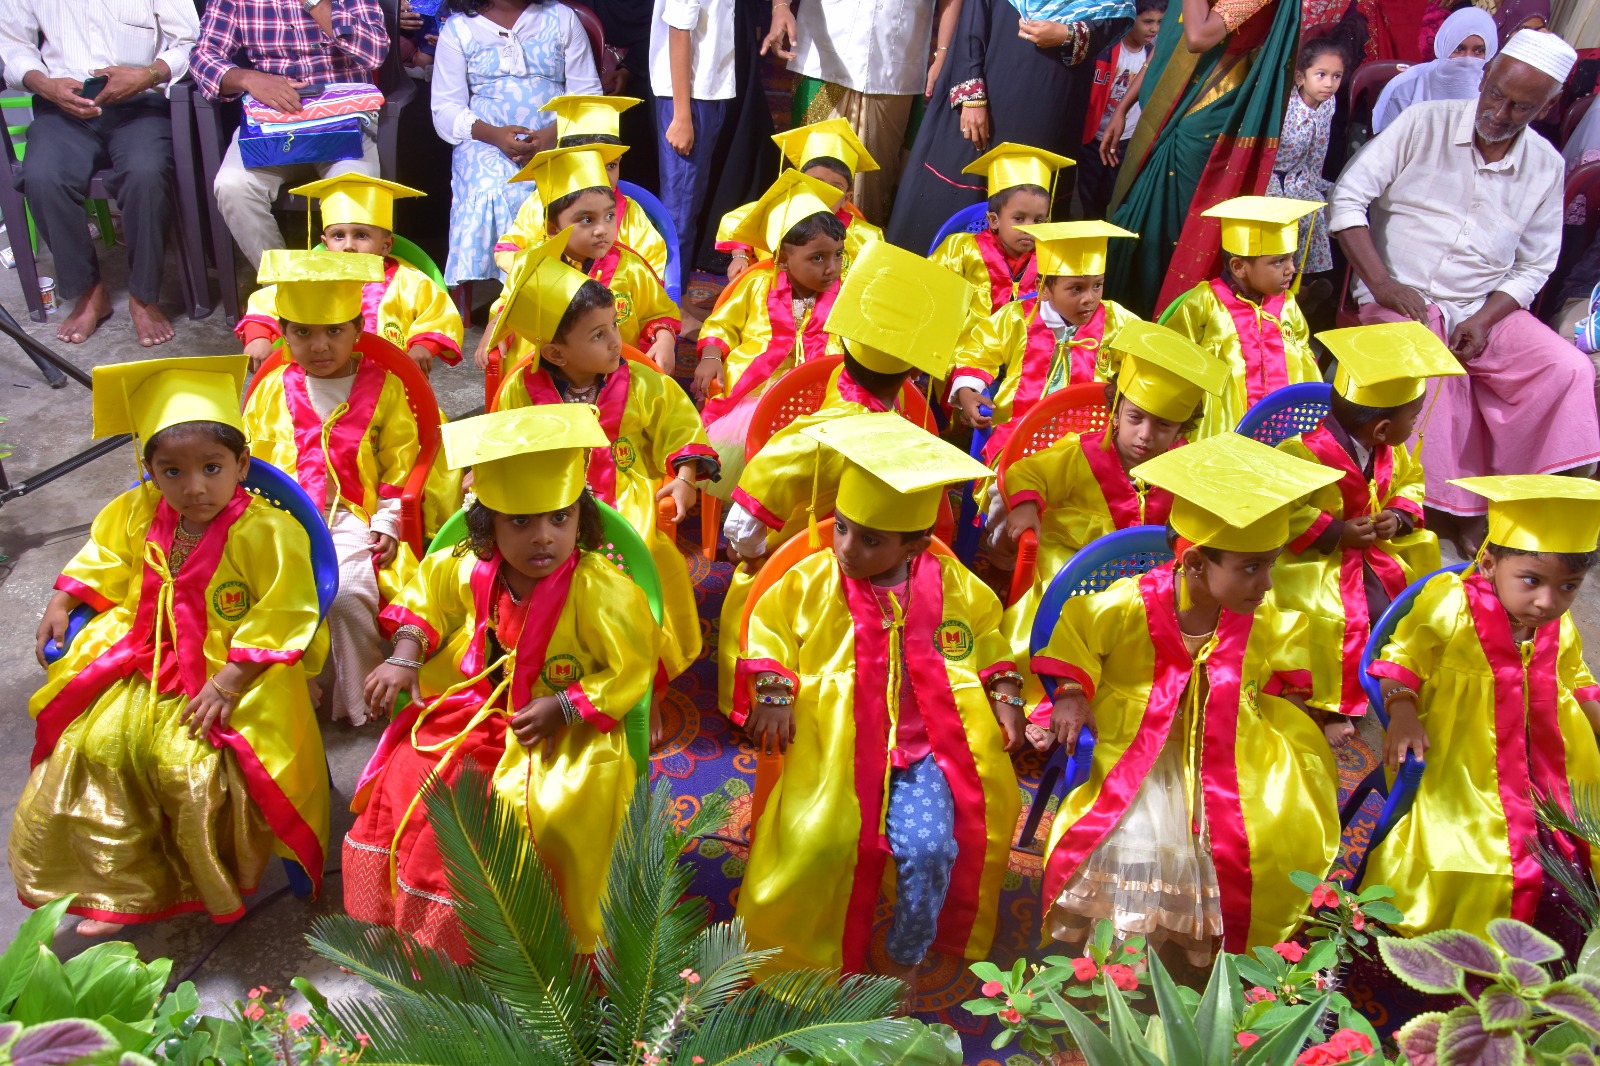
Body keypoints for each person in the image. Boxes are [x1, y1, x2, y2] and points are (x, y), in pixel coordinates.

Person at [16, 357, 329, 936]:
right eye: (172, 472)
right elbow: (104, 557)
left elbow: (288, 609)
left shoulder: (266, 531)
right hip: (144, 660)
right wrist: (64, 596)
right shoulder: (138, 512)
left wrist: (229, 680)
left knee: (185, 769)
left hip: (234, 671)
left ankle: (204, 883)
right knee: (94, 749)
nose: (194, 487)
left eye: (212, 467)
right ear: (151, 473)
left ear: (241, 464)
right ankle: (119, 888)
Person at [346, 405, 660, 960]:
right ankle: (420, 922)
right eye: (520, 522)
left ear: (580, 517)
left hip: (566, 726)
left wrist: (565, 706)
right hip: (475, 709)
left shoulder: (601, 590)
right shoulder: (469, 565)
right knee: (415, 776)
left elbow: (632, 666)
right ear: (487, 524)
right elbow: (426, 600)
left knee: (554, 809)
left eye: (559, 518)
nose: (543, 538)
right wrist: (404, 656)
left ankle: (533, 941)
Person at [735, 412, 1022, 992]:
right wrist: (774, 690)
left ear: (915, 544)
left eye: (871, 539)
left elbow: (990, 636)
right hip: (835, 745)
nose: (846, 547)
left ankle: (905, 953)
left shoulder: (951, 585)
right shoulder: (811, 581)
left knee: (932, 849)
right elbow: (766, 631)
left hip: (923, 749)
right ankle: (797, 953)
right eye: (842, 528)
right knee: (818, 844)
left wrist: (1005, 690)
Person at [1033, 433, 1343, 964]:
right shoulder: (1131, 604)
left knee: (1265, 832)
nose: (1268, 583)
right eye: (1252, 568)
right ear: (1196, 563)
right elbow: (1075, 631)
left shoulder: (1259, 614)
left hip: (1228, 744)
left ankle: (1196, 939)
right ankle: (1123, 956)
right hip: (1139, 745)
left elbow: (1284, 668)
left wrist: (1298, 705)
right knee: (1139, 841)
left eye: (1270, 564)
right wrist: (1071, 692)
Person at [1328, 31, 1600, 558]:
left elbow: (1535, 265)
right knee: (1434, 372)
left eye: (1520, 106)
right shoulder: (1424, 123)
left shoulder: (1545, 165)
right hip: (1400, 293)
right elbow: (1348, 200)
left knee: (1568, 370)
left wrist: (1484, 319)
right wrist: (1382, 282)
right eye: (1495, 93)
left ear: (1546, 107)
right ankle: (1449, 509)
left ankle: (1509, 502)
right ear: (1486, 75)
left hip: (1481, 304)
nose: (1498, 112)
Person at [717, 240, 969, 714]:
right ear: (912, 372)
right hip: (831, 559)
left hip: (821, 551)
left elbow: (755, 499)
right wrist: (753, 553)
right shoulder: (869, 425)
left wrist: (747, 551)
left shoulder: (834, 401)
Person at [490, 234, 717, 729]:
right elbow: (503, 451)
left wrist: (684, 476)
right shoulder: (519, 390)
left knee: (647, 564)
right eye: (598, 335)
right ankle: (544, 679)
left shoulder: (643, 382)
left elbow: (682, 426)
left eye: (614, 325)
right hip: (546, 503)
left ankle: (646, 689)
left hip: (626, 501)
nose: (617, 340)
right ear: (556, 352)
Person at [1369, 475, 1600, 938]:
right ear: (1490, 563)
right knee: (1472, 853)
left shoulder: (1557, 624)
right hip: (1466, 759)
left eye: (1569, 587)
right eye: (1531, 581)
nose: (1547, 602)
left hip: (1548, 760)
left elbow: (1576, 680)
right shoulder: (1450, 606)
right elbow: (1399, 661)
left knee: (1576, 838)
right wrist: (1403, 712)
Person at [243, 250, 458, 726]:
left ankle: (361, 699)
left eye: (334, 331)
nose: (319, 346)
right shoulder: (272, 389)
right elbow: (251, 461)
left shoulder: (384, 386)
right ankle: (287, 687)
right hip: (277, 517)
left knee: (345, 594)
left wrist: (388, 519)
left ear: (358, 330)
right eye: (302, 332)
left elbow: (401, 460)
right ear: (284, 333)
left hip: (350, 516)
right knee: (258, 592)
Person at [995, 321, 1224, 725]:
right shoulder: (1080, 454)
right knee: (1055, 604)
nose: (1145, 435)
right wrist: (1027, 506)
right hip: (1072, 562)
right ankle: (1042, 698)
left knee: (1154, 626)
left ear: (1182, 429)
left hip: (1142, 575)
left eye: (1164, 426)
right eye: (1135, 417)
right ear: (1116, 409)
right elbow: (1029, 472)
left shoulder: (1186, 469)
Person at [1106, 0, 1364, 317]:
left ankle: (1170, 318)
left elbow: (1197, 38)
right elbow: (1169, 49)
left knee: (1171, 232)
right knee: (1142, 222)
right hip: (1166, 112)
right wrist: (1123, 107)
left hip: (1204, 122)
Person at [1272, 322, 1461, 721]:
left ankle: (1393, 670)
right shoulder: (1302, 454)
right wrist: (1336, 531)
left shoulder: (1391, 451)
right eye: (1413, 417)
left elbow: (1410, 482)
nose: (1415, 426)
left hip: (1375, 549)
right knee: (1341, 615)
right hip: (1316, 559)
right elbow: (1279, 509)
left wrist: (1398, 516)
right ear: (1382, 428)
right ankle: (1324, 695)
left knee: (1414, 595)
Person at [0, 0, 197, 347]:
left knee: (147, 172)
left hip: (142, 104)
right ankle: (90, 293)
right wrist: (45, 85)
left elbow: (192, 42)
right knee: (42, 176)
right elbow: (14, 45)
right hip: (62, 107)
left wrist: (149, 74)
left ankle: (143, 296)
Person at [885, 0, 1132, 256]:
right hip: (987, 93)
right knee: (957, 195)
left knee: (1029, 197)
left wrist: (1067, 34)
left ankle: (1015, 280)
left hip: (1052, 101)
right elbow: (973, 18)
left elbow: (1116, 15)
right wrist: (971, 97)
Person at [192, 0, 389, 269]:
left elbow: (374, 53)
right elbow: (203, 56)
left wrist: (315, 4)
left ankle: (350, 289)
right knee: (232, 185)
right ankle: (285, 284)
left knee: (353, 187)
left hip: (343, 127)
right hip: (272, 128)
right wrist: (248, 78)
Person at [430, 0, 601, 289]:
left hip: (560, 135)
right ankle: (511, 288)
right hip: (485, 139)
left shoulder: (562, 19)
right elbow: (445, 109)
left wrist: (549, 137)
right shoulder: (458, 29)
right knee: (490, 187)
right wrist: (494, 135)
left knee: (572, 189)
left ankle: (564, 286)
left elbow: (589, 97)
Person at [697, 171, 849, 493]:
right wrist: (711, 356)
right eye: (818, 258)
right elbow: (723, 323)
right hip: (758, 390)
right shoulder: (756, 284)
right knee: (749, 448)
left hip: (823, 392)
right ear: (782, 260)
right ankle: (748, 505)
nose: (832, 268)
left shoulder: (845, 291)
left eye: (838, 254)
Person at [948, 221, 1139, 460]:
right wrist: (967, 390)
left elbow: (1144, 360)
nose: (1089, 298)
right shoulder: (1018, 318)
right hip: (1019, 433)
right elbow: (978, 352)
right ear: (1044, 288)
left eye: (1097, 285)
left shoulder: (1117, 321)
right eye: (1076, 288)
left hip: (1089, 440)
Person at [237, 176, 465, 375]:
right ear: (325, 244)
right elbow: (266, 303)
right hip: (317, 384)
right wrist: (258, 337)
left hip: (391, 385)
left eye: (361, 235)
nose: (348, 246)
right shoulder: (310, 277)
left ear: (386, 245)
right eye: (338, 236)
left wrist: (423, 347)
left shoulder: (410, 282)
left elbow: (439, 316)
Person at [762, 0, 960, 224]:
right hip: (823, 58)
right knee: (811, 176)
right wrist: (781, 7)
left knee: (874, 192)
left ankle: (865, 243)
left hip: (893, 69)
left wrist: (943, 53)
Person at [487, 144, 680, 372]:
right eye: (587, 220)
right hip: (544, 377)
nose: (602, 230)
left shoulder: (631, 267)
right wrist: (496, 326)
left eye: (609, 216)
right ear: (553, 228)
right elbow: (507, 307)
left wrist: (664, 338)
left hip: (617, 377)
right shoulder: (532, 265)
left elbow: (659, 312)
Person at [1165, 196, 1323, 440]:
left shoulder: (1287, 304)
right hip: (1221, 424)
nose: (1291, 268)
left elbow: (1303, 351)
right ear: (1239, 267)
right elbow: (1174, 351)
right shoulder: (1207, 300)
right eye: (1278, 261)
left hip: (1285, 424)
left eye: (1291, 258)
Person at [494, 95, 670, 279]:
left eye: (611, 165)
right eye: (589, 165)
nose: (602, 176)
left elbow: (652, 268)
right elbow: (507, 249)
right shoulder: (541, 204)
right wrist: (545, 273)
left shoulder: (631, 214)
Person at [929, 143, 1073, 336]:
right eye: (1019, 219)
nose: (1029, 228)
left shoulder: (1052, 262)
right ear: (993, 220)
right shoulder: (961, 248)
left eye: (1038, 221)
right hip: (966, 347)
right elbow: (930, 292)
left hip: (1026, 350)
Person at [718, 119, 885, 285]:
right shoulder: (778, 211)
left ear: (846, 198)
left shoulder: (865, 237)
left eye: (835, 187)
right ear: (799, 182)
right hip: (770, 294)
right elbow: (736, 222)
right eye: (815, 182)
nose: (823, 192)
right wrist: (740, 256)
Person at [651, 0, 735, 277]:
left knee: (690, 204)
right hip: (688, 97)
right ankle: (671, 295)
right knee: (680, 209)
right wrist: (682, 115)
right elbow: (679, 28)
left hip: (706, 92)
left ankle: (679, 290)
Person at [1265, 34, 1346, 286]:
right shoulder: (1286, 106)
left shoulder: (1328, 103)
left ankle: (1304, 282)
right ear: (1301, 77)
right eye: (1321, 75)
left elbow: (1318, 149)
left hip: (1302, 177)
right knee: (1290, 216)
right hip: (1274, 179)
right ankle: (1279, 281)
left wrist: (1313, 182)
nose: (1329, 84)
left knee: (1322, 205)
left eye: (1336, 76)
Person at [1077, 0, 1165, 220]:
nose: (1154, 29)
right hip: (1094, 136)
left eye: (1159, 22)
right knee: (1089, 191)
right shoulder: (1105, 49)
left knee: (1113, 191)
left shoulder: (1152, 56)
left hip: (1125, 138)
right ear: (1130, 17)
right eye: (1147, 22)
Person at [1371, 6, 1497, 134]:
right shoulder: (1406, 87)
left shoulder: (1491, 92)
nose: (1467, 60)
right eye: (1458, 49)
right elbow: (1387, 140)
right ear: (1444, 47)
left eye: (1479, 51)